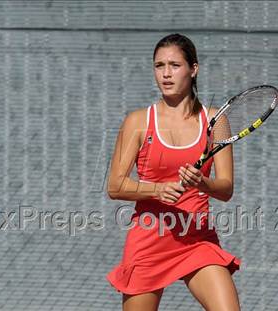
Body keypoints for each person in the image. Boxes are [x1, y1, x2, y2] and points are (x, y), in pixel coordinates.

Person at [106, 33, 241, 311]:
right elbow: (115, 186)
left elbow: (226, 188)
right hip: (148, 244)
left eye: (175, 65)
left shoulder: (216, 122)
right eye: (159, 66)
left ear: (193, 69)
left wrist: (203, 183)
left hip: (197, 241)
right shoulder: (137, 122)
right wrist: (158, 189)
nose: (166, 74)